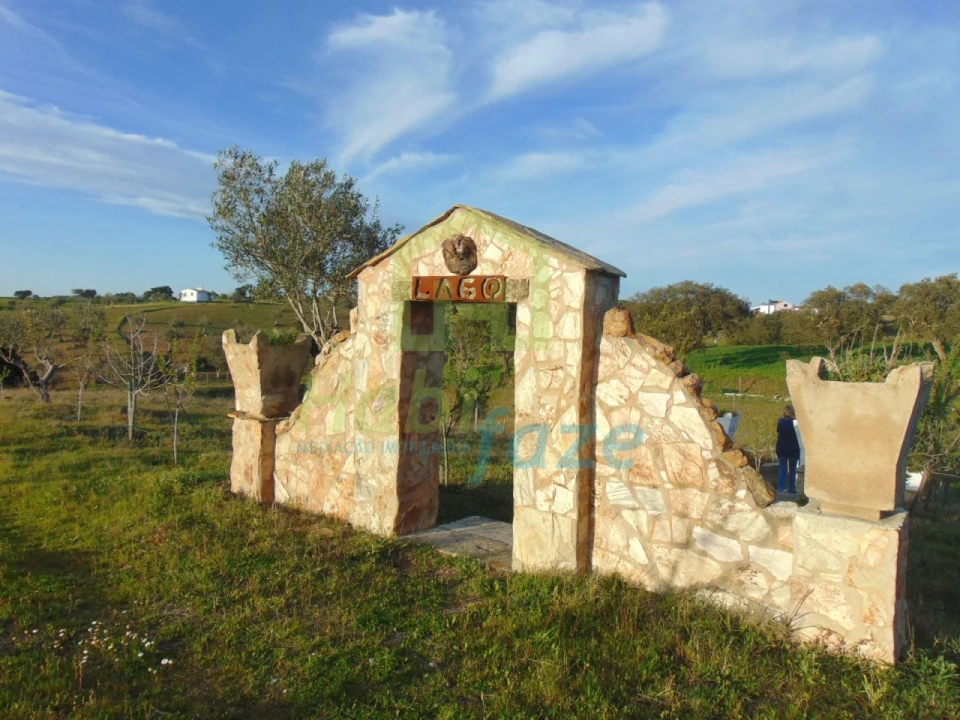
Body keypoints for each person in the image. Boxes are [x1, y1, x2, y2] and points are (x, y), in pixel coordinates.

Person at [776, 405, 801, 494]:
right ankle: (791, 488)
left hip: (781, 448)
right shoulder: (796, 423)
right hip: (793, 448)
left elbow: (779, 432)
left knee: (782, 468)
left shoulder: (780, 422)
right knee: (793, 469)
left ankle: (780, 488)